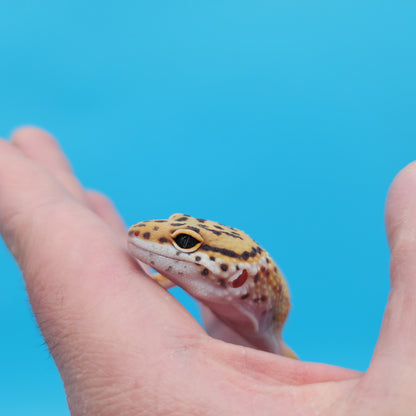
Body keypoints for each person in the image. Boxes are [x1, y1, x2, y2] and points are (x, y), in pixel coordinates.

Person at [0, 127, 414, 415]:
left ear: (236, 280)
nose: (145, 236)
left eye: (184, 244)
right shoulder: (205, 280)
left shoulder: (275, 344)